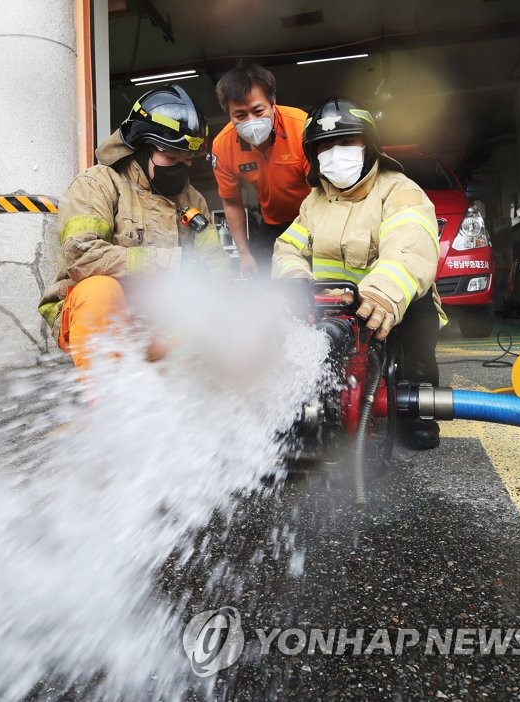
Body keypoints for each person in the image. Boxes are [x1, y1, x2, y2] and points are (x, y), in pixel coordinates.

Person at [271, 96, 446, 450]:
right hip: (330, 309)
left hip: (388, 310)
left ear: (368, 145)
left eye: (345, 141)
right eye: (325, 146)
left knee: (418, 322)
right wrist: (293, 279)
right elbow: (287, 248)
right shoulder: (313, 203)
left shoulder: (399, 190)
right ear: (314, 155)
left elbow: (408, 246)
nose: (335, 152)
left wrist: (382, 294)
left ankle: (417, 413)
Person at [37, 84, 230, 371]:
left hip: (160, 320)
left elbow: (217, 267)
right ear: (142, 146)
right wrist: (170, 263)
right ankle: (111, 403)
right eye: (171, 158)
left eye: (186, 159)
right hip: (105, 316)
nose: (180, 167)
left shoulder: (193, 201)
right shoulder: (98, 184)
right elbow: (81, 256)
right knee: (98, 291)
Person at [210, 64, 311, 277]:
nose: (251, 122)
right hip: (273, 222)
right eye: (240, 115)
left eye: (258, 111)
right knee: (262, 280)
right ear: (228, 114)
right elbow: (231, 202)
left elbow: (323, 192)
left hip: (313, 220)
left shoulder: (302, 127)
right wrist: (244, 254)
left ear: (273, 103)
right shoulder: (223, 146)